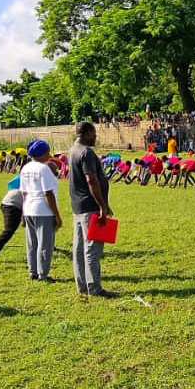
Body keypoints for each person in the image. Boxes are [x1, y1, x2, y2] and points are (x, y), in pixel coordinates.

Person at [68, 122, 115, 297]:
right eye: (94, 133)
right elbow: (91, 180)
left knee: (79, 248)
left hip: (78, 206)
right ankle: (95, 288)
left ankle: (82, 286)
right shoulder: (86, 152)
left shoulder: (72, 150)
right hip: (90, 206)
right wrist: (102, 206)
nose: (95, 136)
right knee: (92, 249)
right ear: (87, 133)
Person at [20, 140, 62, 282]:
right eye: (47, 152)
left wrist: (22, 214)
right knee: (45, 244)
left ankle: (32, 271)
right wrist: (57, 215)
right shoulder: (43, 169)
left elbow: (23, 193)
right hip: (43, 210)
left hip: (29, 209)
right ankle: (43, 274)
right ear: (42, 153)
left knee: (32, 243)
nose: (49, 155)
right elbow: (48, 194)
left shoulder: (25, 168)